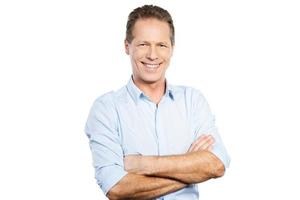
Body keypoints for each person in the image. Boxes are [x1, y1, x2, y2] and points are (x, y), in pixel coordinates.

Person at [85, 4, 230, 200]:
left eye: (161, 45)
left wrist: (145, 164)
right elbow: (117, 188)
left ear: (172, 49)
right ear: (127, 46)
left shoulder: (192, 100)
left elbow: (217, 164)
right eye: (143, 44)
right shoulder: (106, 108)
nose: (153, 55)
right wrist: (191, 168)